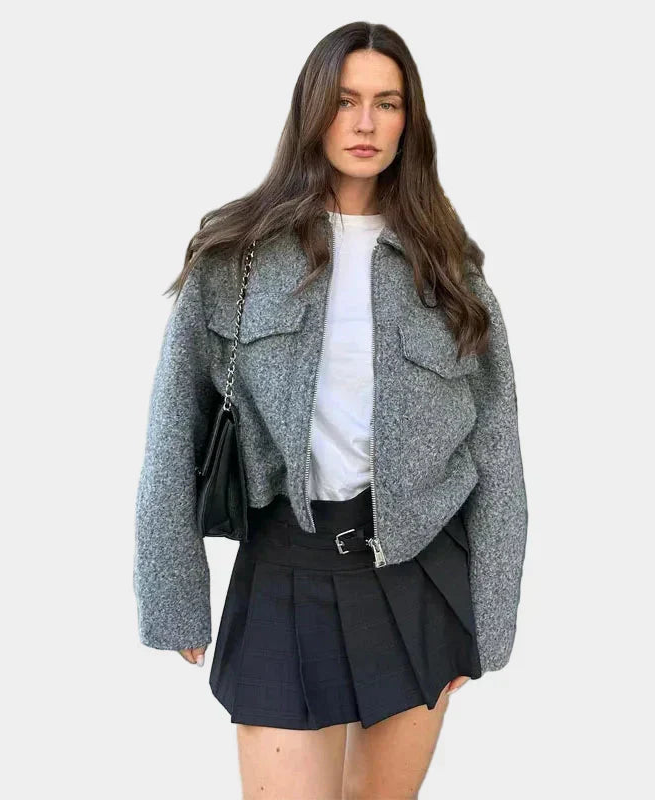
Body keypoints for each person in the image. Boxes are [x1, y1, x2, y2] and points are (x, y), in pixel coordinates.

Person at [134, 21, 528, 799]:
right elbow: (173, 426)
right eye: (346, 101)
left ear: (410, 120)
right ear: (313, 109)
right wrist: (172, 593)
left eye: (387, 103)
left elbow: (497, 452)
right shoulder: (237, 255)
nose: (365, 122)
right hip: (284, 569)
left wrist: (490, 617)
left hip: (418, 579)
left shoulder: (450, 269)